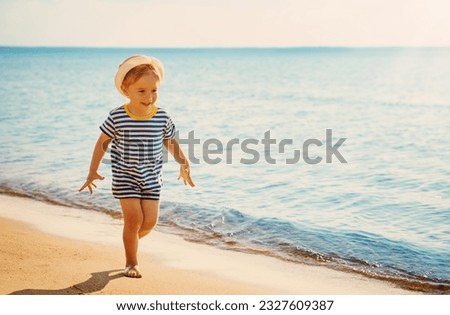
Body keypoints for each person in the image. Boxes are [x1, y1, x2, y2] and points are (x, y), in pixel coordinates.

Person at [79, 55, 195, 278]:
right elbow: (102, 142)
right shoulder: (117, 116)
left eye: (154, 90)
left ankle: (129, 239)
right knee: (134, 219)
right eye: (141, 91)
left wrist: (184, 162)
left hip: (152, 178)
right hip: (126, 177)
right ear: (126, 90)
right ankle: (131, 262)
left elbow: (170, 141)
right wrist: (93, 170)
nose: (149, 96)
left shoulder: (161, 116)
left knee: (150, 222)